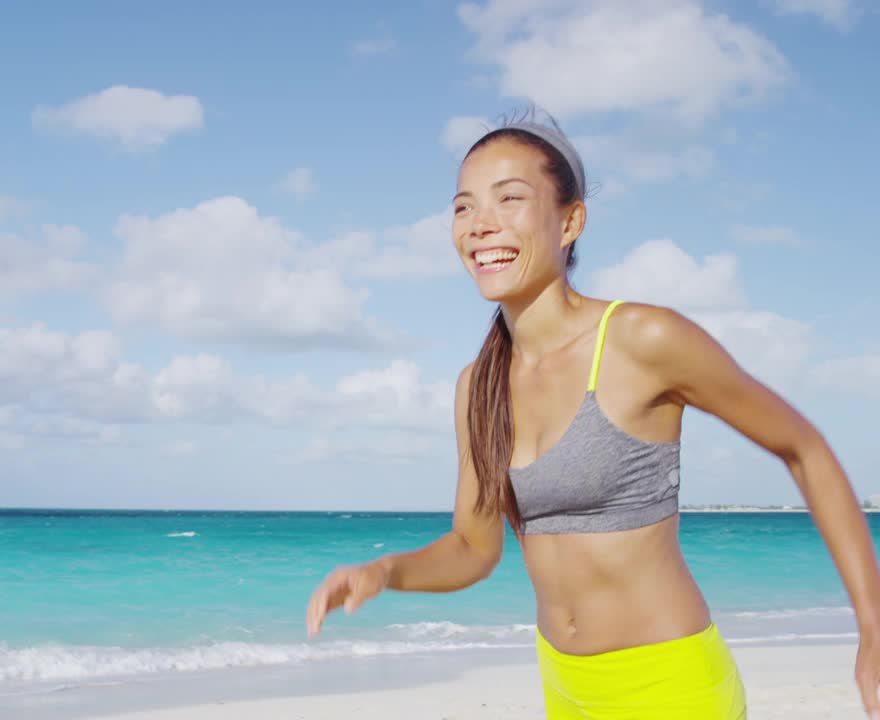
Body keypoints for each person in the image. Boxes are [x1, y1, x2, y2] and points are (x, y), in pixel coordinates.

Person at [304, 109, 880, 719]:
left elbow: (803, 446)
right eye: (464, 207)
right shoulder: (478, 386)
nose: (481, 225)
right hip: (565, 688)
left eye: (510, 199)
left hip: (671, 685)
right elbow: (475, 548)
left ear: (570, 220)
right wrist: (383, 572)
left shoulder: (641, 339)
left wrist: (872, 625)